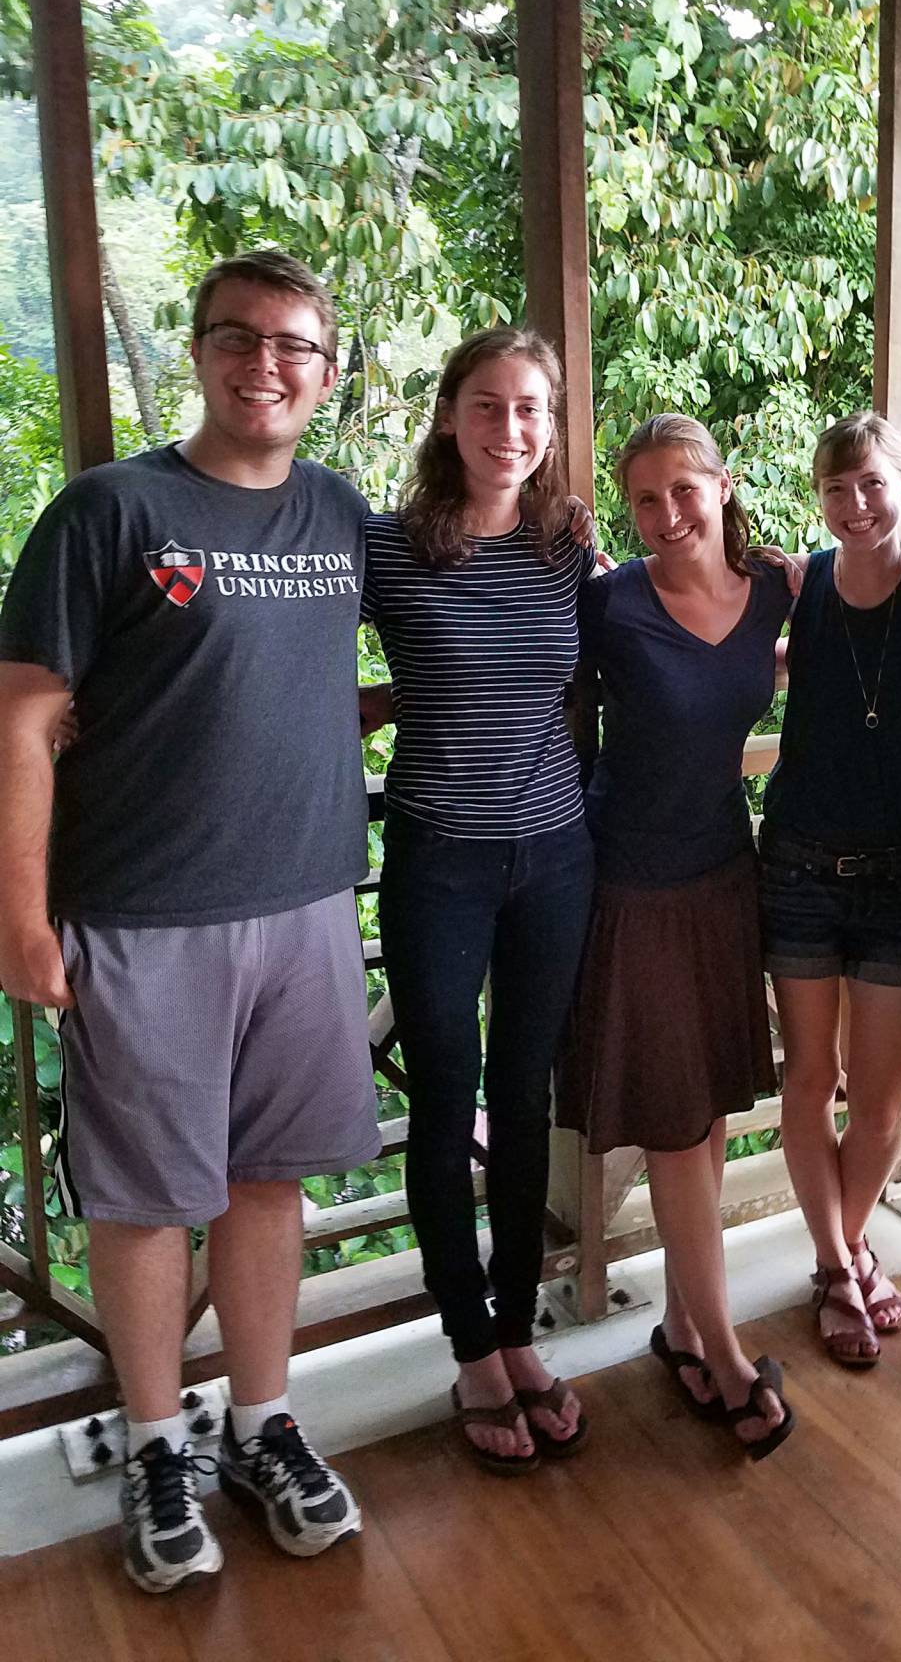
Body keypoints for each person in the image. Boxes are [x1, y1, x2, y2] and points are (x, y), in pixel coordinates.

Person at [0, 251, 377, 1592]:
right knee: (152, 1198)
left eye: (294, 345)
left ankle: (263, 1424)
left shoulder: (340, 514)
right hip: (146, 915)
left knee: (269, 1178)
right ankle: (160, 1443)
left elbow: (461, 592)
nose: (265, 364)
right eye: (240, 337)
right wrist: (22, 919)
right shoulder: (110, 510)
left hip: (313, 905)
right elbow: (27, 718)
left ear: (327, 376)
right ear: (203, 349)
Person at [362, 327, 595, 1475]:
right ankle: (467, 1340)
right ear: (451, 414)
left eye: (533, 411)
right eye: (491, 407)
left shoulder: (564, 546)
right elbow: (279, 646)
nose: (513, 431)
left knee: (525, 1087)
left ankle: (516, 1322)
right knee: (446, 1093)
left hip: (557, 853)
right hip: (439, 860)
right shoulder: (389, 547)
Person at [557, 413, 796, 1457]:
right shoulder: (608, 602)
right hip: (630, 886)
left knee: (704, 1122)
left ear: (724, 486)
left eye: (683, 492)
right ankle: (727, 1353)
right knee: (672, 1119)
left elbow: (886, 603)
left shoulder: (781, 592)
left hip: (722, 879)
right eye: (644, 499)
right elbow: (526, 676)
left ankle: (688, 1329)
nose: (665, 515)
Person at [759, 411, 901, 1365]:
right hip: (797, 860)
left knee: (880, 1099)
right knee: (810, 1079)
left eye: (872, 483)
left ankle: (841, 1254)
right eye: (836, 489)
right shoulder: (804, 583)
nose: (855, 504)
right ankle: (844, 1267)